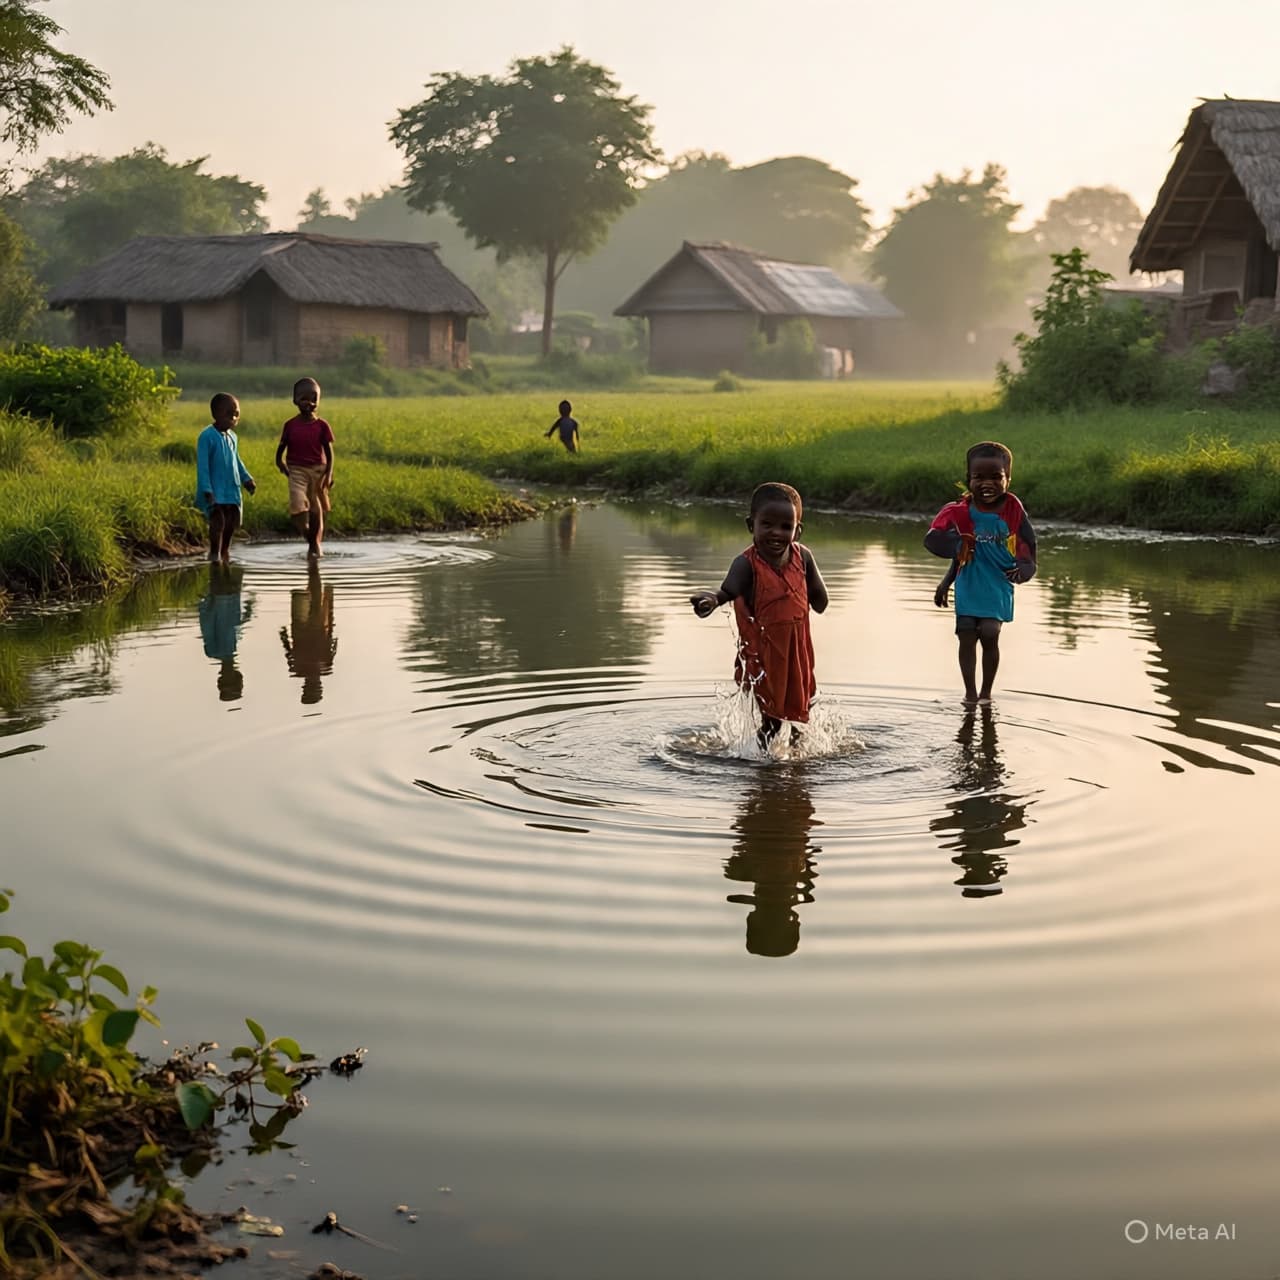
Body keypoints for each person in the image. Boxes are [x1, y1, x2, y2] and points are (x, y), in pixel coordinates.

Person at [690, 482, 829, 749]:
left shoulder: (804, 558)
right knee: (773, 721)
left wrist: (811, 589)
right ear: (750, 525)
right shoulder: (746, 564)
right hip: (765, 656)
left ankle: (793, 765)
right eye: (767, 524)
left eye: (786, 527)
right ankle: (763, 772)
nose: (776, 533)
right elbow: (726, 592)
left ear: (797, 531)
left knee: (802, 717)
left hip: (798, 653)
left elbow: (820, 601)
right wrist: (711, 600)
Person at [925, 441, 1037, 704]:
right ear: (968, 480)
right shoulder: (960, 511)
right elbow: (940, 543)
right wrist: (946, 582)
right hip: (969, 581)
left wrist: (1026, 566)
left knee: (989, 632)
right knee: (966, 632)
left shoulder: (1012, 509)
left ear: (1008, 479)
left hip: (998, 581)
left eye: (996, 477)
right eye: (978, 477)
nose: (987, 483)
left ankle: (986, 692)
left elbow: (1027, 543)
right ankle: (970, 694)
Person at [275, 377, 334, 557]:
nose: (309, 403)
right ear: (295, 400)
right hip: (297, 470)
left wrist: (329, 474)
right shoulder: (290, 425)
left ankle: (314, 545)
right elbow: (282, 447)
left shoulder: (322, 426)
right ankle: (309, 536)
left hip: (318, 470)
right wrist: (280, 462)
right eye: (304, 398)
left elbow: (329, 452)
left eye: (314, 399)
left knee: (316, 509)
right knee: (297, 506)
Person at [195, 393, 255, 563]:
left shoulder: (233, 437)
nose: (234, 418)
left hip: (231, 488)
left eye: (237, 415)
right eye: (230, 414)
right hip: (215, 488)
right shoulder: (207, 437)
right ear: (216, 414)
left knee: (231, 521)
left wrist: (246, 479)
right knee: (217, 520)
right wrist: (207, 489)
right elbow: (203, 466)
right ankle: (214, 552)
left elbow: (237, 460)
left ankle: (225, 550)